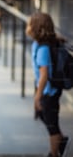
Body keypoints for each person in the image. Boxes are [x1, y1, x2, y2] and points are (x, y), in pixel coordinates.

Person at [25, 12, 69, 157]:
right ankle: (61, 141)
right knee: (45, 117)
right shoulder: (38, 44)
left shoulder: (43, 49)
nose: (27, 27)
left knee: (52, 126)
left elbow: (44, 76)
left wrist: (38, 96)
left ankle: (53, 153)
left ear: (36, 28)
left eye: (30, 24)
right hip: (47, 91)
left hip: (49, 92)